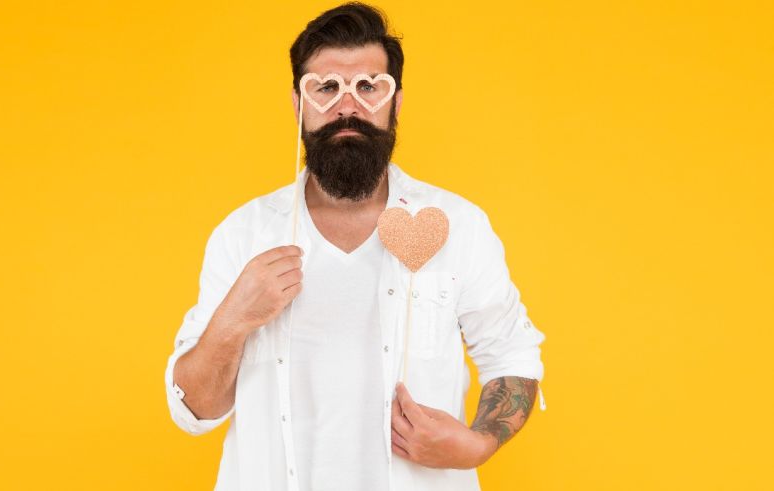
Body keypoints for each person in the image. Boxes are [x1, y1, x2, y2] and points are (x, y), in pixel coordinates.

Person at [164, 3, 547, 490]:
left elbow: (511, 354)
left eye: (369, 86)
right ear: (298, 103)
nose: (348, 106)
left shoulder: (460, 226)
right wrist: (235, 316)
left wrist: (478, 445)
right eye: (325, 87)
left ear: (397, 102)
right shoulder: (243, 235)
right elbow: (195, 410)